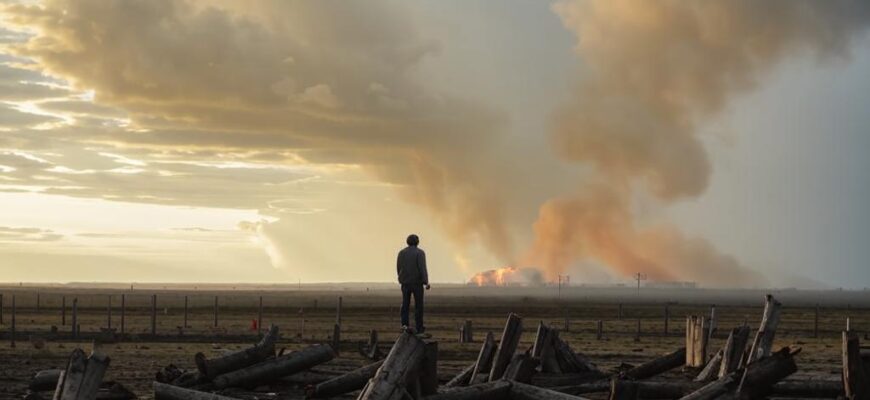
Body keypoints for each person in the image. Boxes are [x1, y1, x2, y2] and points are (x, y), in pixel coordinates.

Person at [397, 233, 430, 336]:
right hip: (417, 283)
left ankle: (404, 325)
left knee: (405, 305)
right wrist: (426, 282)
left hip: (405, 283)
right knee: (418, 306)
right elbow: (422, 268)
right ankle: (419, 327)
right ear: (417, 242)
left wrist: (401, 278)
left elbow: (398, 268)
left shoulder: (401, 253)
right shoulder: (420, 253)